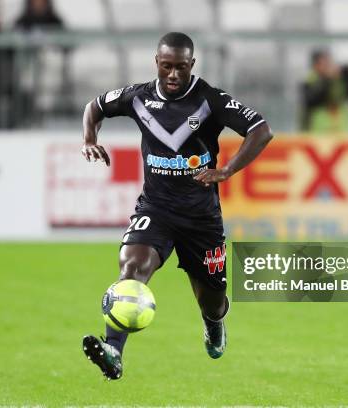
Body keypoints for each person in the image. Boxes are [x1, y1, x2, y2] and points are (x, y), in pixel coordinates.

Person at [81, 32, 273, 380]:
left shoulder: (210, 99)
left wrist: (228, 169)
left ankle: (214, 323)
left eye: (181, 68)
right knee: (132, 269)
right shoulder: (138, 97)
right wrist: (89, 140)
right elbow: (95, 107)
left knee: (212, 301)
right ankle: (113, 350)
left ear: (192, 65)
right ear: (156, 62)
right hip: (155, 210)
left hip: (202, 219)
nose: (173, 74)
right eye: (166, 66)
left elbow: (261, 129)